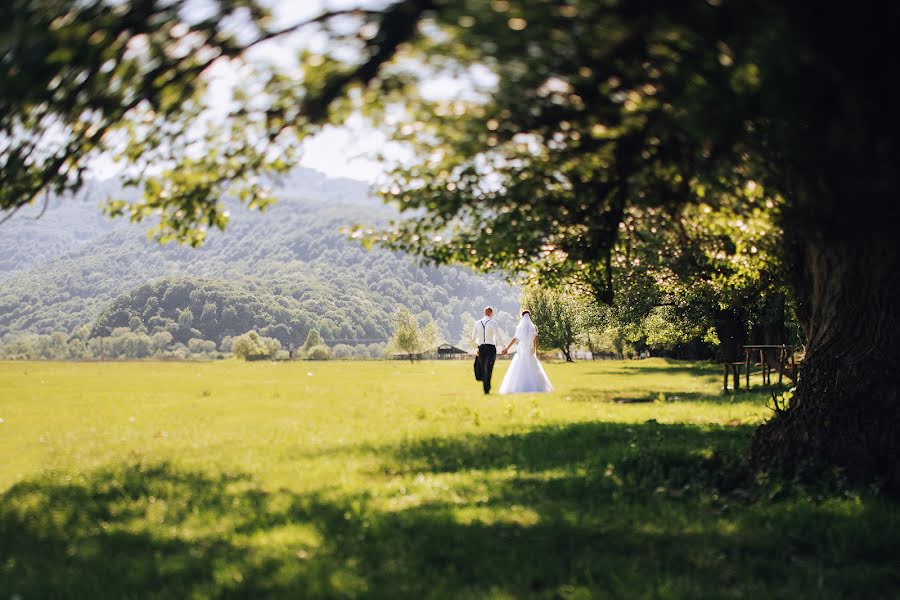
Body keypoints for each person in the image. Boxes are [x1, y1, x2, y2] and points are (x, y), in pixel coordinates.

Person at [498, 310, 553, 394]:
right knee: (532, 366)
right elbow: (536, 340)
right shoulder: (533, 327)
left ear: (522, 316)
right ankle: (535, 386)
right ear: (529, 316)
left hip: (522, 349)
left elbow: (515, 338)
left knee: (519, 366)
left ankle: (519, 386)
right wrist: (536, 351)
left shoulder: (519, 327)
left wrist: (507, 348)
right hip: (530, 350)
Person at [471, 306, 504, 394]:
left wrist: (478, 346)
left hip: (481, 348)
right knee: (489, 368)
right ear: (491, 313)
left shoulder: (477, 323)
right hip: (490, 348)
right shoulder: (493, 323)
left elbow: (473, 337)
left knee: (483, 368)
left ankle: (485, 387)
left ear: (484, 313)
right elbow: (498, 336)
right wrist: (503, 347)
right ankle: (487, 389)